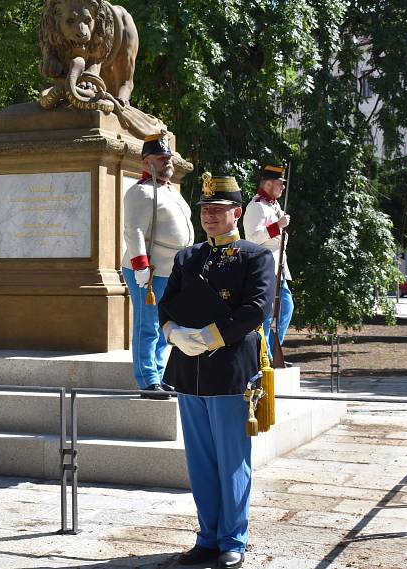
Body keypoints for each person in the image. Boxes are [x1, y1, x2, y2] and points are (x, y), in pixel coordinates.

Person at [159, 173, 275, 569]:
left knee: (231, 460)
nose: (209, 216)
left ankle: (233, 539)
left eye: (218, 210)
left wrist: (211, 336)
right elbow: (167, 303)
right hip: (189, 372)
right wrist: (172, 331)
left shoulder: (256, 256)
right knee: (201, 462)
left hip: (230, 371)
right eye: (206, 209)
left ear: (237, 213)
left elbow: (256, 309)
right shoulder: (187, 257)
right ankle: (207, 536)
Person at [122, 132, 194, 396]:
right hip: (149, 271)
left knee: (166, 325)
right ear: (146, 162)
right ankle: (147, 378)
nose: (167, 162)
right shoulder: (140, 192)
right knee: (148, 325)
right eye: (161, 158)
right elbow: (133, 232)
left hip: (172, 270)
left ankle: (160, 373)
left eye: (168, 157)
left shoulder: (169, 191)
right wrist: (141, 266)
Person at [242, 164, 293, 361]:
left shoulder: (273, 205)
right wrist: (277, 227)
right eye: (280, 184)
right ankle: (263, 354)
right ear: (269, 183)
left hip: (278, 266)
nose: (283, 188)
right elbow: (252, 239)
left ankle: (269, 351)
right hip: (265, 268)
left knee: (286, 308)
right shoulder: (256, 206)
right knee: (267, 313)